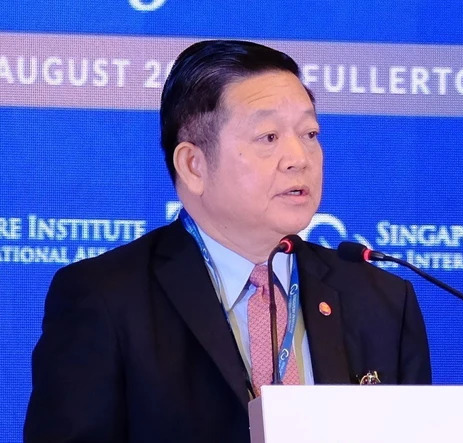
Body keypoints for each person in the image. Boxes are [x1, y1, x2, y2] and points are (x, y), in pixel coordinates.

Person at [24, 40, 431, 443]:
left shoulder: (382, 301)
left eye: (309, 133)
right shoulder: (106, 299)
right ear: (193, 165)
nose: (300, 158)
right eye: (268, 137)